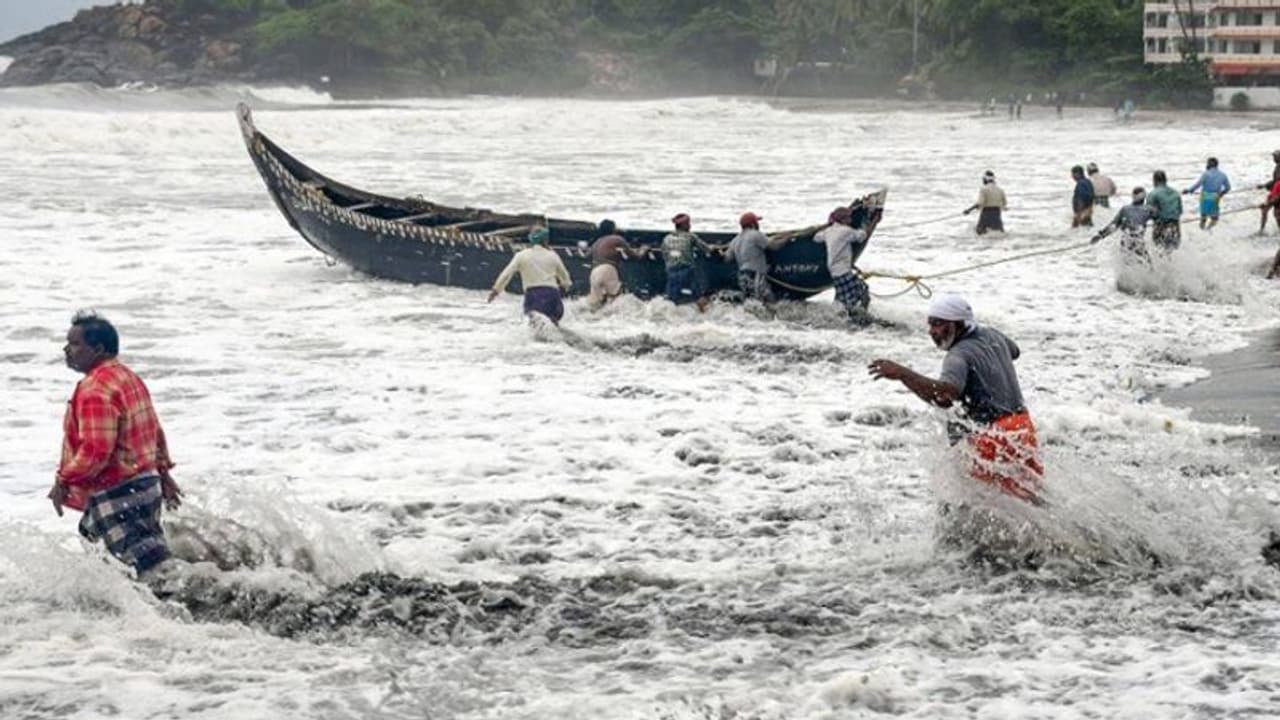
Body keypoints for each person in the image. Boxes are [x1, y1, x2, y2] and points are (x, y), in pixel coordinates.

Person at [867, 295, 1042, 503]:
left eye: (939, 324)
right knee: (1030, 498)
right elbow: (1014, 351)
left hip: (993, 438)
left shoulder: (958, 356)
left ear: (959, 325)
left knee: (979, 503)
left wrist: (903, 374)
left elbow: (944, 396)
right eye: (930, 324)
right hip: (1022, 429)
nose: (932, 331)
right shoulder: (993, 335)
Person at [48, 311, 182, 577]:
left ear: (97, 349)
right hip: (145, 484)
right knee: (102, 540)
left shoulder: (95, 389)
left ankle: (180, 611)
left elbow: (96, 450)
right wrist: (163, 472)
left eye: (75, 344)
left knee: (146, 573)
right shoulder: (127, 377)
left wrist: (63, 479)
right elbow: (153, 428)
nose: (66, 349)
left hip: (119, 491)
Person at [488, 226, 572, 324]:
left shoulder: (522, 255)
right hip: (553, 295)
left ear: (530, 238)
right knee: (553, 325)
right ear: (546, 240)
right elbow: (565, 278)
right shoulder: (553, 255)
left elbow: (506, 275)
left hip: (534, 296)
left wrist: (496, 290)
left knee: (535, 327)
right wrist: (566, 286)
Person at [814, 206, 873, 325]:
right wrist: (868, 224)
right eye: (849, 217)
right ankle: (860, 317)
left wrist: (827, 226)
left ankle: (837, 318)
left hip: (834, 272)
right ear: (844, 220)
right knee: (863, 291)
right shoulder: (846, 231)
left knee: (842, 299)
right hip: (843, 271)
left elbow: (816, 238)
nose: (851, 219)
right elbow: (861, 236)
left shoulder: (828, 231)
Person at [661, 213, 713, 311]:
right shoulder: (690, 236)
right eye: (688, 223)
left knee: (671, 301)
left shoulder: (666, 238)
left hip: (671, 272)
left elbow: (664, 255)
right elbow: (706, 249)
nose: (690, 226)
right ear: (684, 225)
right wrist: (714, 248)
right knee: (699, 297)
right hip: (687, 270)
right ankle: (705, 315)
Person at [724, 211, 778, 303]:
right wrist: (788, 238)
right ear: (753, 224)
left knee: (750, 301)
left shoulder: (735, 240)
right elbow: (774, 246)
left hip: (742, 276)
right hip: (754, 274)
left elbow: (727, 259)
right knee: (769, 301)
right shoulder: (755, 234)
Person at [1092, 187, 1155, 260]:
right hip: (1138, 241)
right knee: (1148, 266)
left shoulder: (1125, 209)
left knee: (1126, 263)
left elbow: (1114, 225)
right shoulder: (1148, 209)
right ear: (1144, 198)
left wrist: (1101, 235)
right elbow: (1160, 218)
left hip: (1126, 241)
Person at [586, 219, 637, 308]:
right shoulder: (617, 238)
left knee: (597, 303)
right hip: (607, 270)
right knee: (616, 298)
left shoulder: (596, 242)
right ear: (613, 229)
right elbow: (635, 256)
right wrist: (644, 249)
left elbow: (586, 256)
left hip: (594, 272)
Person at [1184, 157, 1231, 230]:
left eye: (1207, 163)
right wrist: (1221, 194)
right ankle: (1209, 230)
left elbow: (1197, 185)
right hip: (1215, 197)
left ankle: (1202, 231)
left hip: (1205, 197)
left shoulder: (1206, 174)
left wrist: (1189, 190)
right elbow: (1228, 188)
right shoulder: (1223, 175)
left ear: (1210, 164)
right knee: (1214, 218)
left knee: (1203, 218)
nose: (1206, 165)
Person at [1146, 170, 1183, 250]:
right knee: (1174, 252)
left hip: (1160, 226)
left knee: (1160, 252)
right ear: (1166, 180)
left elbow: (1148, 213)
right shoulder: (1176, 193)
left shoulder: (1153, 194)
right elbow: (1180, 211)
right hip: (1175, 226)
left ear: (1154, 181)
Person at [963, 170, 1007, 235]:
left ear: (985, 179)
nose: (982, 181)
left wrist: (968, 210)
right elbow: (1004, 203)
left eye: (983, 179)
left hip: (986, 214)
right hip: (997, 215)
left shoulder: (983, 189)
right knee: (999, 233)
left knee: (979, 233)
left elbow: (979, 203)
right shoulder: (1000, 190)